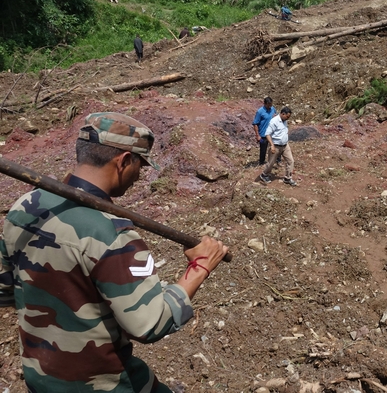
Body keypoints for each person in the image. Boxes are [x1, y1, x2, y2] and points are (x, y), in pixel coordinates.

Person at [0, 112, 228, 392]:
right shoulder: (112, 235)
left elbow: (6, 291)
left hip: (40, 377)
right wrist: (200, 267)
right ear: (124, 161)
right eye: (140, 165)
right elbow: (151, 323)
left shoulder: (24, 207)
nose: (139, 175)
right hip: (103, 384)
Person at [259, 106, 297, 186]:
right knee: (271, 163)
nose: (287, 118)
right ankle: (264, 174)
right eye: (287, 116)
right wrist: (272, 145)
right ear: (283, 114)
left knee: (291, 161)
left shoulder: (284, 120)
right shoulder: (274, 121)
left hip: (285, 145)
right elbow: (267, 134)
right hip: (276, 146)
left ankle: (287, 178)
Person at [252, 96, 277, 165]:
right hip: (263, 134)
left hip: (272, 133)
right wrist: (257, 135)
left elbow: (277, 118)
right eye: (268, 105)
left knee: (275, 146)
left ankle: (276, 160)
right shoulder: (260, 112)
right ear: (265, 104)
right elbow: (255, 124)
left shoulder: (273, 109)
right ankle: (262, 162)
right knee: (263, 148)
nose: (270, 106)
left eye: (271, 104)